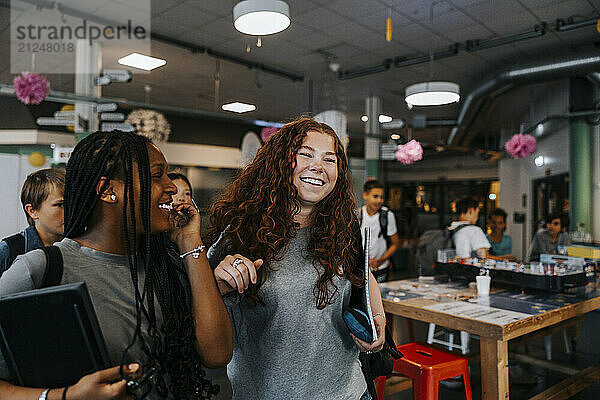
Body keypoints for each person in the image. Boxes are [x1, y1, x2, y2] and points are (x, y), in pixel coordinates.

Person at [0, 131, 232, 399]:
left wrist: (190, 242)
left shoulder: (167, 266)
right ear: (108, 190)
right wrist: (63, 396)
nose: (172, 188)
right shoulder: (41, 269)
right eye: (157, 176)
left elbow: (217, 353)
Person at [205, 118, 385, 400]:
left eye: (330, 159)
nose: (318, 167)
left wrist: (378, 318)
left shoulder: (342, 228)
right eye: (305, 154)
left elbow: (361, 272)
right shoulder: (241, 234)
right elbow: (203, 317)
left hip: (349, 392)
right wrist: (217, 284)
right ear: (280, 161)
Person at [0, 168, 65, 275]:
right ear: (32, 211)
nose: (70, 211)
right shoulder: (9, 250)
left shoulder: (80, 246)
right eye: (60, 205)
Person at [360, 180, 401, 282]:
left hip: (381, 269)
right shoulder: (357, 215)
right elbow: (349, 244)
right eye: (375, 196)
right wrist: (364, 259)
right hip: (360, 269)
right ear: (365, 195)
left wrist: (382, 259)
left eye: (381, 197)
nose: (379, 200)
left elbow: (395, 243)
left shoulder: (387, 215)